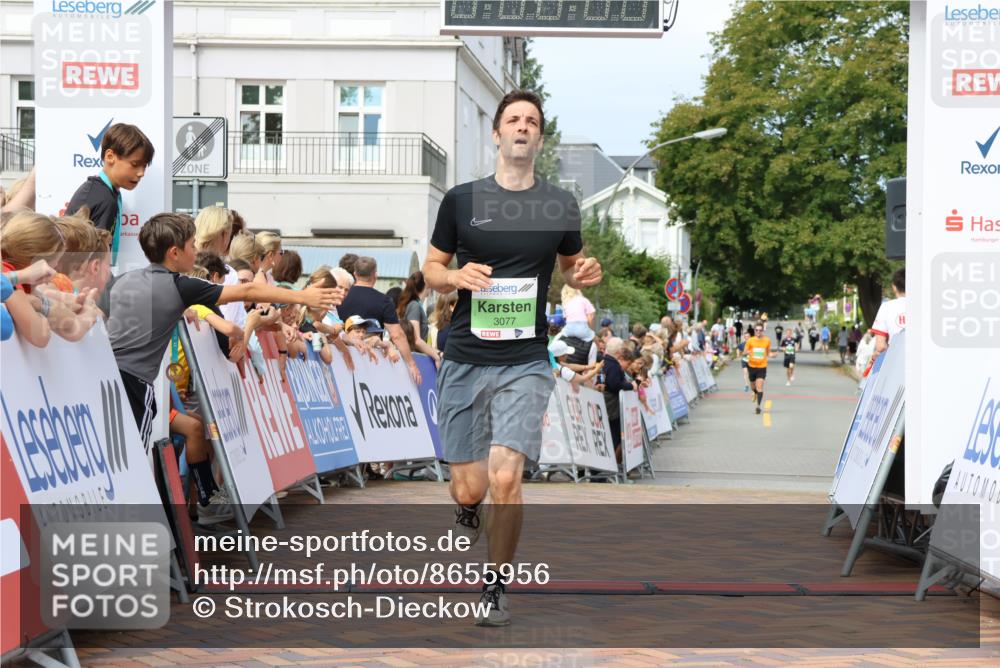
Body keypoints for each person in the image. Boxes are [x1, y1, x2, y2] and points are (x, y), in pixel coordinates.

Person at [422, 89, 602, 627]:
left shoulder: (560, 205)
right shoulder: (461, 200)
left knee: (507, 478)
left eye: (532, 121)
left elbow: (571, 264)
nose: (522, 127)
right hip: (465, 355)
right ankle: (467, 507)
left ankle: (495, 586)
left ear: (539, 137)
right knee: (471, 485)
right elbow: (431, 268)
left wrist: (580, 275)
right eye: (513, 120)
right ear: (497, 134)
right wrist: (454, 276)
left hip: (526, 358)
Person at [104, 213, 339, 453]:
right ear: (174, 253)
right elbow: (247, 291)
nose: (196, 251)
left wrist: (183, 310)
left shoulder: (124, 280)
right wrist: (302, 297)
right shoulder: (180, 286)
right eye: (192, 245)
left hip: (105, 374)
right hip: (134, 382)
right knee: (135, 458)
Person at [66, 123, 154, 266]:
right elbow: (96, 259)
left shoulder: (102, 192)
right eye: (135, 164)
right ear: (110, 156)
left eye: (144, 166)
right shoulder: (105, 199)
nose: (141, 173)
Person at [337, 256, 422, 385]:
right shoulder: (384, 301)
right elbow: (397, 334)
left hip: (340, 360)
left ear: (355, 274)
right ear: (375, 275)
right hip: (372, 366)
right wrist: (411, 364)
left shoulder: (340, 297)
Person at [397, 270, 441, 366]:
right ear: (427, 285)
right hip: (416, 358)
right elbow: (416, 340)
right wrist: (436, 354)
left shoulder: (415, 305)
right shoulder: (415, 306)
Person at [869, 267, 906, 370]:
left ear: (894, 287)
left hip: (895, 364)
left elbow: (880, 346)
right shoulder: (924, 306)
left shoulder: (887, 307)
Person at [745, 323, 775, 415]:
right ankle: (754, 393)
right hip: (752, 366)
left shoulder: (767, 340)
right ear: (754, 331)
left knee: (760, 387)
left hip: (762, 366)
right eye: (756, 330)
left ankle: (758, 406)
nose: (758, 332)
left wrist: (773, 355)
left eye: (760, 330)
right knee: (753, 386)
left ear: (762, 331)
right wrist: (748, 352)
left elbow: (768, 353)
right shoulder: (750, 340)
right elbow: (745, 351)